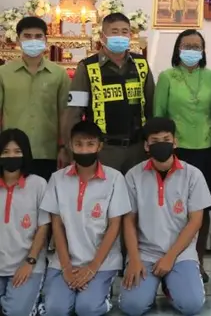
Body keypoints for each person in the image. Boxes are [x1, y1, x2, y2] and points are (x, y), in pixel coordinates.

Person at [118, 117, 211, 316]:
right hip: (145, 253)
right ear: (146, 146)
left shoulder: (193, 175)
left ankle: (170, 287)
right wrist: (133, 258)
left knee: (191, 305)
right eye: (155, 141)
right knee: (132, 307)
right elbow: (129, 221)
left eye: (166, 139)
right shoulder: (133, 176)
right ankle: (149, 288)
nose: (161, 144)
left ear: (175, 142)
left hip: (181, 253)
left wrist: (170, 257)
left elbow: (196, 221)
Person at [41, 120, 132, 316]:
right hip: (64, 262)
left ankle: (103, 295)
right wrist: (66, 267)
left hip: (102, 263)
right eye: (79, 144)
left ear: (100, 146)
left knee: (87, 308)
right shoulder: (57, 179)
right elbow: (57, 226)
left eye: (90, 144)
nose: (84, 150)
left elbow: (114, 226)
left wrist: (92, 268)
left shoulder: (115, 178)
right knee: (56, 310)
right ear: (70, 146)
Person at [154, 29, 211, 280]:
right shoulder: (167, 77)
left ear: (203, 51)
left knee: (201, 209)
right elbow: (159, 116)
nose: (192, 50)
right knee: (175, 207)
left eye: (196, 46)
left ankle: (198, 261)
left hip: (208, 150)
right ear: (178, 49)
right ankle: (169, 258)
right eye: (187, 46)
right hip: (175, 150)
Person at [65, 12, 155, 173]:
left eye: (124, 32)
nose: (120, 36)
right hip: (104, 150)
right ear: (102, 36)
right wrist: (71, 149)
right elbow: (74, 111)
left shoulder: (140, 64)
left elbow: (150, 105)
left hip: (137, 149)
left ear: (130, 35)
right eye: (114, 32)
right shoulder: (87, 67)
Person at [0, 16, 71, 180]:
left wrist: (64, 148)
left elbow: (65, 114)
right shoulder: (3, 73)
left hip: (47, 152)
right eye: (27, 36)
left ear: (46, 40)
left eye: (38, 36)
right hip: (11, 152)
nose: (33, 40)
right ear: (18, 40)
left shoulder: (59, 74)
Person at [0, 129, 50, 316]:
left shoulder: (38, 184)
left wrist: (30, 262)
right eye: (5, 152)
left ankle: (30, 300)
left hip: (28, 265)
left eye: (17, 151)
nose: (11, 156)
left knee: (15, 312)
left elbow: (43, 227)